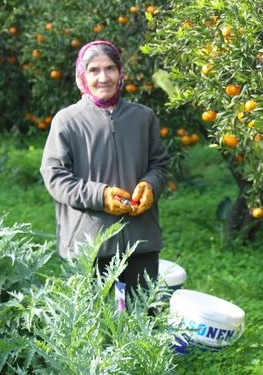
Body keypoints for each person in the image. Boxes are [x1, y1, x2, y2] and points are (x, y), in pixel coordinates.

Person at [40, 40, 170, 298]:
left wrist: (151, 185)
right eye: (94, 70)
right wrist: (100, 197)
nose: (103, 77)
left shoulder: (143, 117)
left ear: (121, 73)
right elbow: (55, 176)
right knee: (93, 328)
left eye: (110, 68)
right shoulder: (67, 121)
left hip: (139, 242)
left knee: (142, 320)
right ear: (82, 76)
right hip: (89, 245)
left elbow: (159, 164)